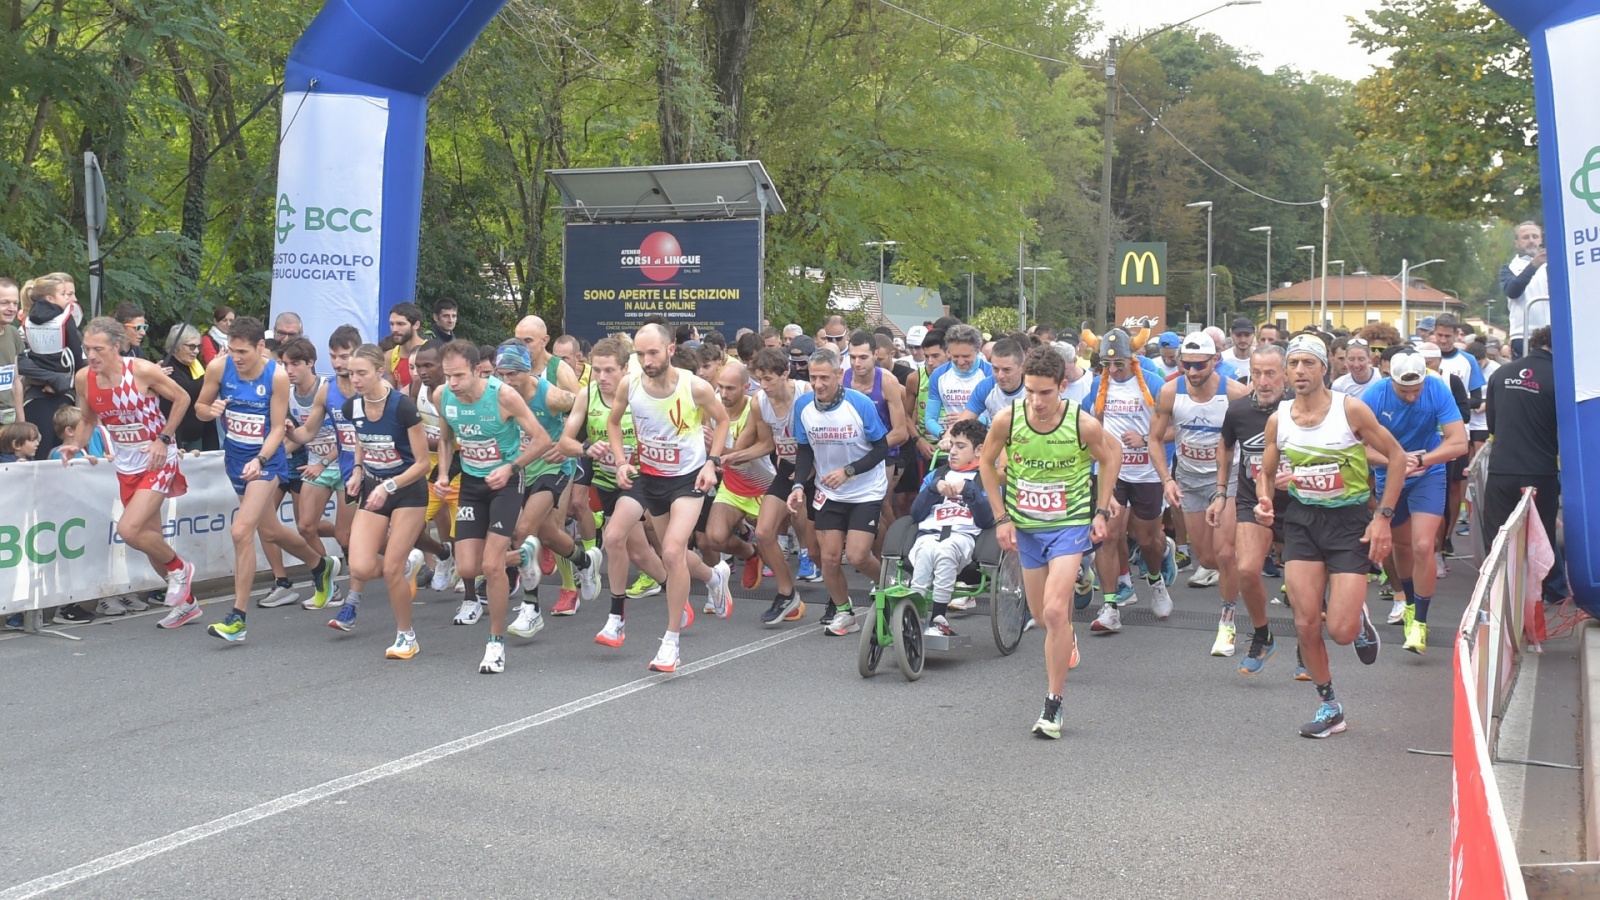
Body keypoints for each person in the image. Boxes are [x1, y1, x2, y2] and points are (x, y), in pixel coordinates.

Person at [1255, 334, 1407, 738]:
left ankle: (1356, 617)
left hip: (1349, 523)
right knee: (1305, 623)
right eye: (1294, 364)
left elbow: (1396, 457)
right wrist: (1265, 500)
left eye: (1309, 363)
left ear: (1325, 368)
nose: (1300, 371)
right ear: (1287, 372)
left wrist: (1383, 518)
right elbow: (1266, 473)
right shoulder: (1279, 418)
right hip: (1303, 522)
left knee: (1339, 631)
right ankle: (1329, 707)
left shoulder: (1350, 410)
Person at [980, 346, 1119, 739]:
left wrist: (1101, 510)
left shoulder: (1082, 424)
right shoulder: (1008, 420)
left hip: (1069, 525)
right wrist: (1001, 517)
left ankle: (1053, 705)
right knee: (1043, 619)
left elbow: (1110, 458)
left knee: (1056, 611)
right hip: (1025, 527)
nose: (1036, 402)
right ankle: (1066, 637)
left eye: (1045, 393)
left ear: (1062, 387)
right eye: (1029, 392)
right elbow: (986, 464)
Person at [196, 316, 342, 643]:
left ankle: (238, 618)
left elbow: (278, 427)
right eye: (232, 350)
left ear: (261, 347)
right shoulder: (219, 368)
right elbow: (200, 408)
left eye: (244, 351)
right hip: (234, 458)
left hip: (266, 460)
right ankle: (320, 565)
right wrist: (212, 410)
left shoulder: (275, 376)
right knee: (271, 530)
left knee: (241, 530)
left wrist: (260, 459)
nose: (237, 357)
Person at [58, 317, 197, 626]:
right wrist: (75, 444)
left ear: (116, 347)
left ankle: (180, 568)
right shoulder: (85, 378)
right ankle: (187, 603)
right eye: (87, 349)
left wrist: (164, 438)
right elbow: (89, 419)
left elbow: (182, 398)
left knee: (129, 530)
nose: (91, 356)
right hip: (126, 464)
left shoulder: (141, 370)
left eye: (98, 349)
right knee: (149, 538)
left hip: (157, 459)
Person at [608, 323, 731, 673]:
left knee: (674, 551)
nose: (646, 361)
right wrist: (620, 461)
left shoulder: (694, 386)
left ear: (671, 349)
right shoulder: (629, 385)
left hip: (689, 479)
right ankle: (712, 577)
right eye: (640, 354)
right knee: (670, 553)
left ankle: (671, 642)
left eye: (653, 353)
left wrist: (713, 461)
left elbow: (721, 422)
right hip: (652, 479)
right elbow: (615, 423)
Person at [432, 340, 553, 674]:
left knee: (492, 566)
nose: (452, 383)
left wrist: (511, 467)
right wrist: (443, 474)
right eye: (447, 376)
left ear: (476, 370)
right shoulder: (443, 397)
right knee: (469, 567)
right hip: (471, 485)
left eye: (458, 376)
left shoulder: (503, 396)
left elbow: (542, 439)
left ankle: (495, 644)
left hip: (504, 484)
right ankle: (524, 556)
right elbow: (445, 439)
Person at [1148, 332, 1250, 656]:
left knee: (1223, 553)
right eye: (1186, 365)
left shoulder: (1235, 394)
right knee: (1206, 558)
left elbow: (1257, 437)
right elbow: (1153, 439)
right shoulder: (1169, 392)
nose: (1192, 372)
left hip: (1228, 480)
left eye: (1199, 365)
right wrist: (1167, 480)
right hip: (1189, 480)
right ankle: (1174, 551)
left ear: (1215, 361)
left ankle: (1227, 622)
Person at [1359, 351, 1467, 654]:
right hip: (1390, 476)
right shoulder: (1375, 396)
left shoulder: (1437, 388)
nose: (1410, 396)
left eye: (1415, 390)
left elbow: (1457, 441)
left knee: (1422, 545)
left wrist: (1422, 459)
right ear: (1389, 380)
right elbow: (1357, 447)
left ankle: (1420, 620)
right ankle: (1408, 602)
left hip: (1427, 472)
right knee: (1402, 547)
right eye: (1403, 391)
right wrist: (1395, 461)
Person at [329, 343, 432, 658]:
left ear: (379, 372)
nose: (355, 379)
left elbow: (422, 463)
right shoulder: (352, 408)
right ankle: (406, 567)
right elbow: (362, 440)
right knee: (359, 566)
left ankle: (406, 636)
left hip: (407, 491)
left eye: (362, 373)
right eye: (351, 373)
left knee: (389, 569)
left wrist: (388, 484)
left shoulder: (402, 407)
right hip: (373, 488)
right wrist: (358, 469)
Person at [787, 345, 892, 636]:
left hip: (865, 490)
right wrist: (798, 485)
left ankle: (888, 585)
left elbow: (881, 449)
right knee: (828, 558)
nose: (818, 384)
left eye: (824, 378)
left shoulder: (859, 404)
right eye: (812, 378)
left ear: (839, 375)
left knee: (858, 556)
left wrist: (848, 472)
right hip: (828, 492)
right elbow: (805, 448)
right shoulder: (803, 406)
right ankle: (845, 612)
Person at [497, 340, 600, 631]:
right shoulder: (499, 395)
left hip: (552, 467)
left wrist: (570, 443)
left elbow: (586, 406)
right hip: (519, 468)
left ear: (527, 371)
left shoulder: (551, 396)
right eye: (501, 375)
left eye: (513, 374)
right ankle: (585, 562)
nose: (507, 381)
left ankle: (531, 608)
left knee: (522, 531)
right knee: (549, 534)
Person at [1084, 326, 1174, 632]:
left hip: (1148, 472)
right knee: (1108, 534)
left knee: (1148, 540)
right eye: (1108, 364)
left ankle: (1156, 579)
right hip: (1113, 472)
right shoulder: (1098, 386)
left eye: (1120, 362)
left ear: (1132, 357)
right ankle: (1110, 607)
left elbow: (1176, 429)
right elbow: (1086, 426)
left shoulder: (1152, 383)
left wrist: (1145, 437)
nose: (1114, 369)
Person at [1213, 343, 1291, 674]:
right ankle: (1263, 634)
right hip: (1252, 498)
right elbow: (1226, 447)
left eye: (1271, 373)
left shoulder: (1300, 408)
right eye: (1256, 373)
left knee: (1303, 588)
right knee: (1245, 569)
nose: (1263, 381)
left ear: (1286, 376)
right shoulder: (1239, 410)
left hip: (1300, 501)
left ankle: (1306, 647)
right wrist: (1220, 492)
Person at [1484, 326, 1566, 603]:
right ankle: (1544, 595)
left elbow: (1491, 424)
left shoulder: (1500, 373)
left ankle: (1498, 595)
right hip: (1540, 470)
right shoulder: (1561, 377)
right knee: (1539, 537)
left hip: (1502, 468)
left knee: (1498, 537)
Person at [906, 419, 997, 636]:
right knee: (927, 551)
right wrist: (932, 489)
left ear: (979, 451)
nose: (953, 452)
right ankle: (914, 615)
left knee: (946, 551)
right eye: (952, 445)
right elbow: (916, 514)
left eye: (961, 446)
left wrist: (969, 490)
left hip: (964, 535)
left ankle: (939, 617)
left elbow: (986, 519)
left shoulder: (987, 478)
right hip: (930, 532)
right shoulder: (936, 475)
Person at [746, 347, 814, 625]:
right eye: (760, 379)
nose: (764, 386)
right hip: (786, 469)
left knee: (815, 546)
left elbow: (821, 438)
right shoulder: (758, 402)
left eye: (769, 379)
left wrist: (809, 473)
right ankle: (787, 594)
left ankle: (838, 601)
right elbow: (765, 444)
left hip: (815, 469)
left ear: (786, 373)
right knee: (763, 532)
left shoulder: (806, 393)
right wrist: (729, 456)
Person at [17, 273, 86, 459]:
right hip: (64, 397)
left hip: (36, 397)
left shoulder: (25, 322)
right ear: (49, 298)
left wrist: (49, 378)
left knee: (40, 455)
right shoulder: (65, 321)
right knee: (67, 456)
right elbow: (81, 362)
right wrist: (56, 379)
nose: (73, 299)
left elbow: (22, 360)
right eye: (67, 294)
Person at [158, 324, 216, 451]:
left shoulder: (195, 366)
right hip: (176, 439)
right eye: (191, 346)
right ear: (176, 347)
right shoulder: (166, 367)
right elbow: (185, 391)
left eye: (198, 346)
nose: (196, 351)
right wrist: (213, 373)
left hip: (197, 437)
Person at [1500, 221, 1547, 358]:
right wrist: (1533, 265)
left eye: (1535, 236)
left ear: (1541, 239)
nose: (1531, 241)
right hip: (1524, 334)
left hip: (1554, 332)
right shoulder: (1509, 268)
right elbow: (1512, 291)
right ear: (1517, 243)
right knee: (1528, 378)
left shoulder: (1555, 262)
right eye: (1526, 237)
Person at [960, 337, 1026, 424]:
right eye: (995, 369)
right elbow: (961, 424)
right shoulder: (986, 387)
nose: (1000, 376)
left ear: (1022, 367)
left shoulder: (1035, 388)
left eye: (1007, 370)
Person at [1, 278, 25, 425]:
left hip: (9, 423)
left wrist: (22, 424)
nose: (12, 308)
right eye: (4, 303)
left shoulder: (13, 333)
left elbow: (16, 381)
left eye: (15, 303)